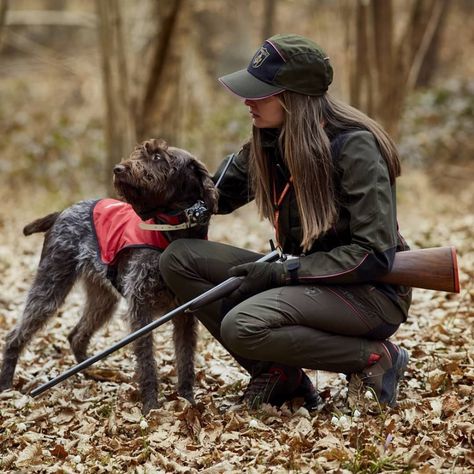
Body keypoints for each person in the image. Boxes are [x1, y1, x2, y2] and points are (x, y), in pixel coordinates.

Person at [159, 34, 411, 410]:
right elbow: (216, 196)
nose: (247, 101)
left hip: (367, 293)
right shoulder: (269, 139)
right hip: (304, 279)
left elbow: (372, 255)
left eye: (260, 93)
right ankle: (280, 375)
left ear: (292, 98)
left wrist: (281, 274)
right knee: (178, 258)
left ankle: (375, 358)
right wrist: (157, 199)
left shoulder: (355, 147)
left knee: (242, 325)